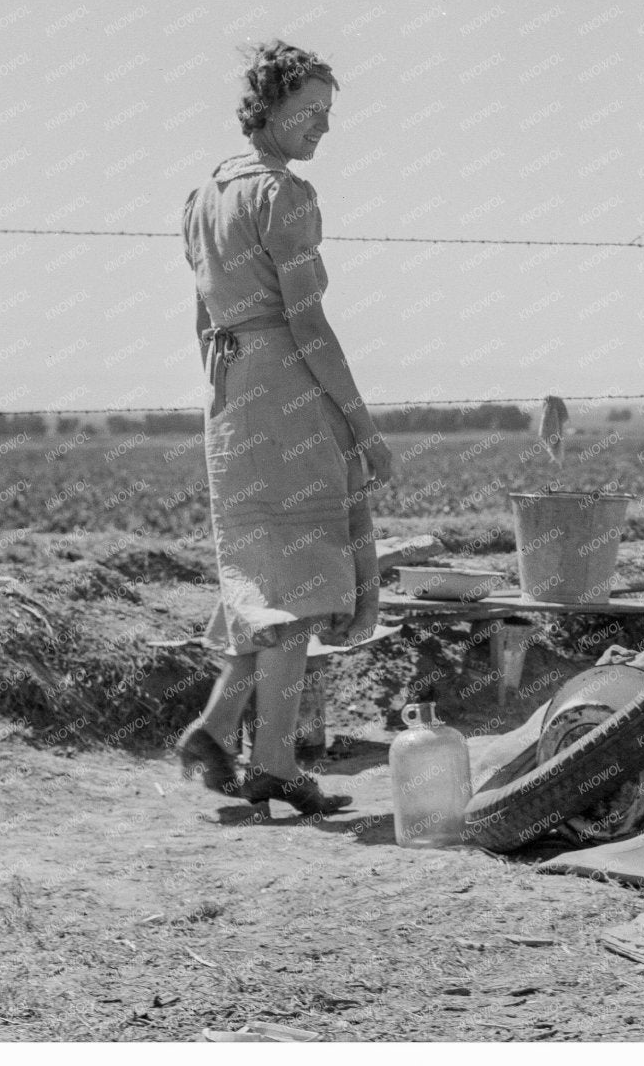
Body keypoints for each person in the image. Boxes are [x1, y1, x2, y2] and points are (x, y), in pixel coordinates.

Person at [174, 42, 395, 814]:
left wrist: (229, 386)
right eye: (309, 113)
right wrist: (363, 427)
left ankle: (216, 730)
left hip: (234, 394)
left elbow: (204, 319)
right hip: (287, 390)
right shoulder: (285, 196)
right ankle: (272, 762)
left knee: (264, 576)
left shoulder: (204, 198)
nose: (322, 129)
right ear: (267, 109)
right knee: (295, 583)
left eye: (329, 117)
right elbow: (309, 323)